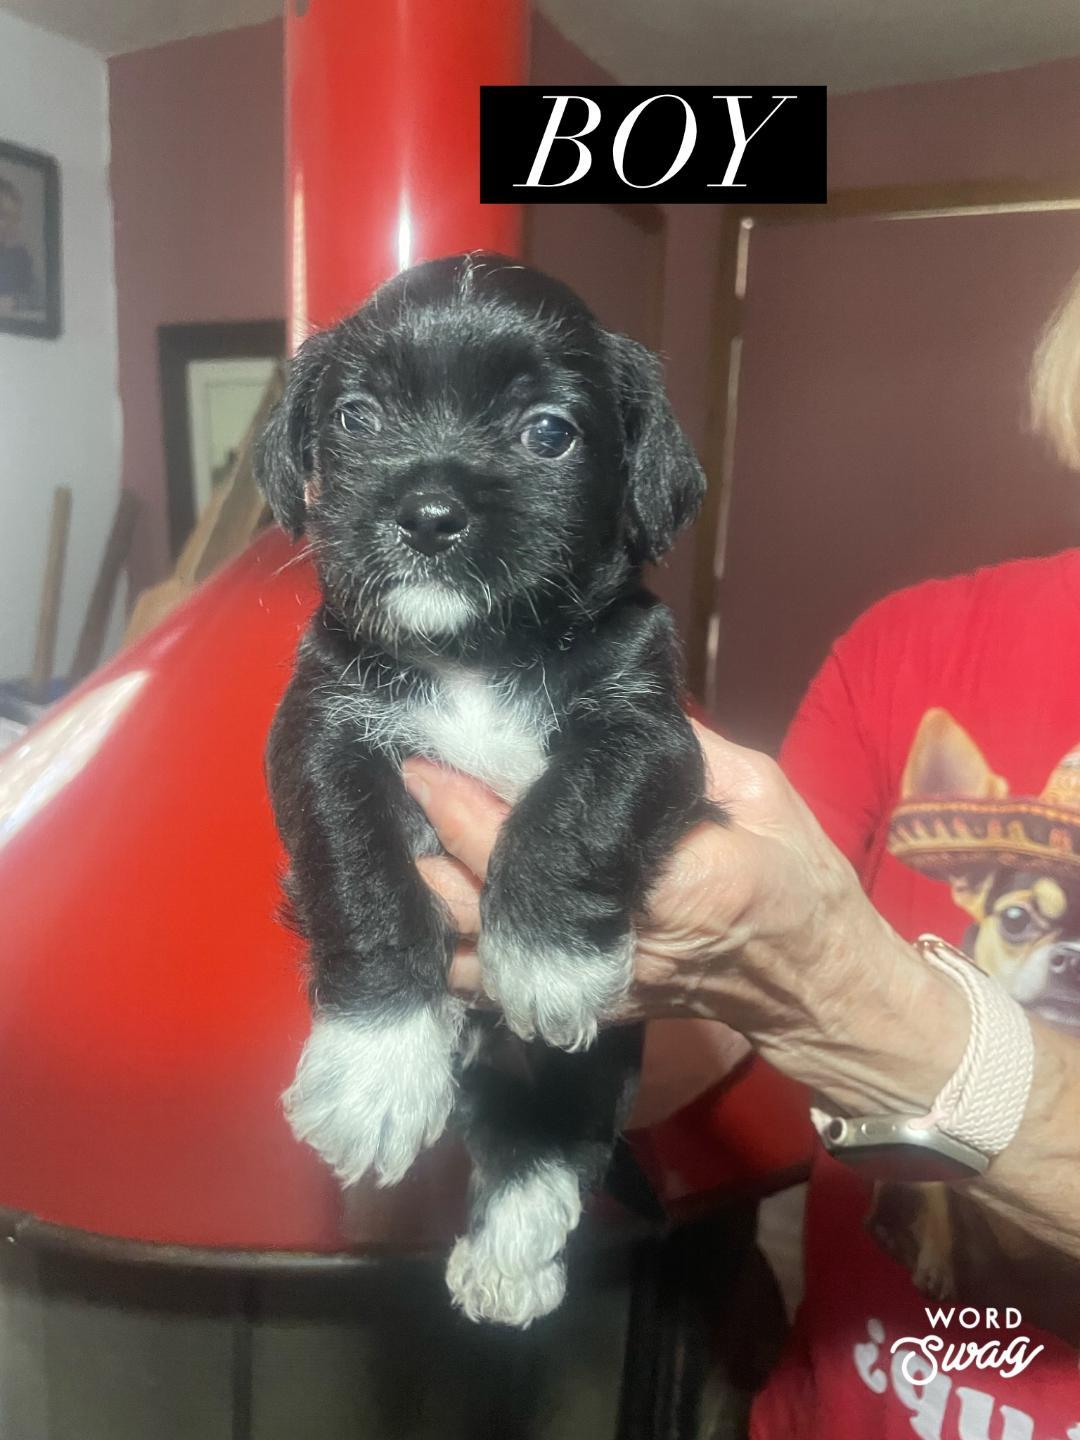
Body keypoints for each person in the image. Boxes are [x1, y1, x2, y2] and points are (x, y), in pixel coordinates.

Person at [401, 268, 1080, 1437]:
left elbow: (801, 979)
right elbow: (717, 1026)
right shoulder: (909, 648)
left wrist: (840, 994)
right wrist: (485, 1042)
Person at [0, 176, 36, 315]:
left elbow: (38, 299)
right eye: (3, 215)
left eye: (15, 218)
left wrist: (15, 302)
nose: (10, 225)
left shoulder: (20, 257)